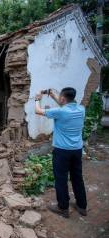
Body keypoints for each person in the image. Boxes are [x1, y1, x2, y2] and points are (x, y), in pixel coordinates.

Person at [35, 87, 87, 218]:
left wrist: (37, 99)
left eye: (60, 98)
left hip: (62, 151)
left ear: (63, 98)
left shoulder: (60, 111)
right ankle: (82, 206)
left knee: (61, 178)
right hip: (77, 150)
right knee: (77, 177)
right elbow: (64, 106)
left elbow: (38, 111)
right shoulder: (81, 109)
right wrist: (53, 95)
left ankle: (63, 207)